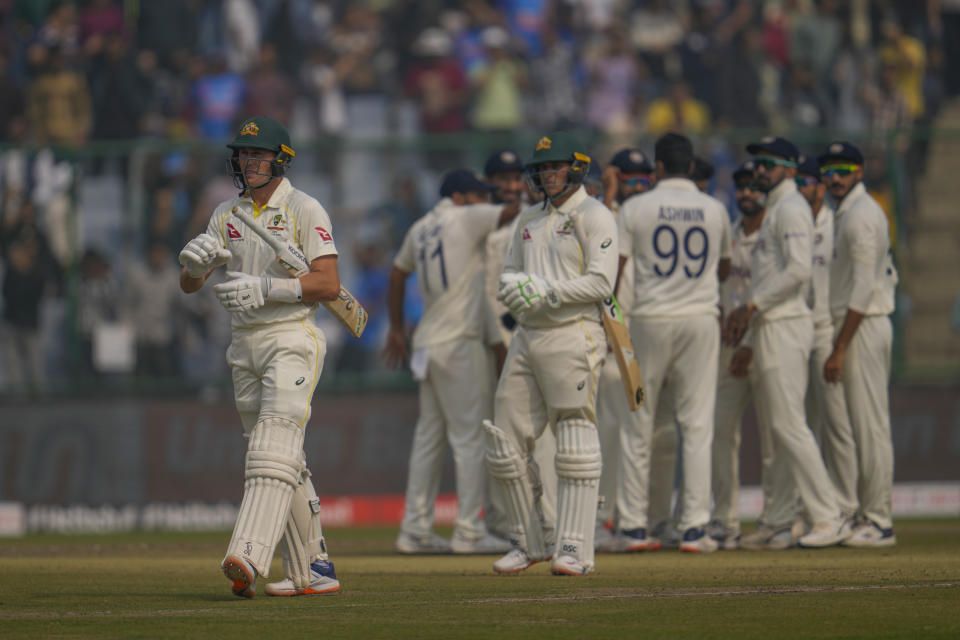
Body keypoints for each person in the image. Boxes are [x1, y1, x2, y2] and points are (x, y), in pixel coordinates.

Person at [178, 116, 341, 598]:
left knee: (273, 448)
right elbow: (191, 286)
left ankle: (248, 554)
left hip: (291, 335)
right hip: (243, 343)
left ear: (280, 160)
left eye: (258, 155)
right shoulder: (225, 213)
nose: (248, 162)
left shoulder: (305, 208)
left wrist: (269, 287)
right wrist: (192, 267)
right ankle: (314, 569)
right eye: (243, 154)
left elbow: (329, 285)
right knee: (280, 456)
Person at [486, 131, 618, 576]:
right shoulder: (528, 217)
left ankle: (575, 549)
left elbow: (602, 283)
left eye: (555, 167)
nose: (547, 174)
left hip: (573, 333)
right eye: (542, 168)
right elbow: (508, 274)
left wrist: (547, 292)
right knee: (505, 441)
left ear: (576, 168)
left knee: (575, 437)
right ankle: (531, 540)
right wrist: (516, 291)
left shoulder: (594, 215)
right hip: (528, 335)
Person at [724, 136, 850, 549]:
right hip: (772, 324)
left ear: (790, 169)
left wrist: (753, 305)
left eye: (768, 163)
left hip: (786, 323)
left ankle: (828, 516)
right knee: (781, 429)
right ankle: (778, 521)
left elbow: (797, 271)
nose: (759, 170)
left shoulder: (792, 208)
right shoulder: (779, 207)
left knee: (789, 425)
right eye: (756, 162)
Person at [384, 168, 516, 555]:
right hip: (459, 341)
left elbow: (396, 273)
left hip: (427, 342)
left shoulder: (421, 227)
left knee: (429, 438)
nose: (486, 201)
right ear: (459, 197)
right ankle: (468, 532)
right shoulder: (466, 215)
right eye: (479, 195)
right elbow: (509, 213)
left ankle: (414, 530)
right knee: (469, 438)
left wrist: (396, 328)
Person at [615, 133, 731, 554]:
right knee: (697, 424)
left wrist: (612, 325)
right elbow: (726, 264)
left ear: (658, 167)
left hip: (649, 319)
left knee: (638, 424)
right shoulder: (715, 208)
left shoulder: (635, 207)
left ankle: (631, 526)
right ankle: (696, 528)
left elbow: (617, 269)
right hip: (700, 319)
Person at [819, 141, 898, 547]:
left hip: (864, 325)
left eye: (843, 170)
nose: (834, 177)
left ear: (860, 172)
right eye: (829, 170)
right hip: (853, 325)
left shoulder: (863, 215)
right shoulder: (842, 213)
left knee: (870, 426)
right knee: (856, 426)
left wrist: (840, 346)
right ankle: (862, 512)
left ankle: (880, 520)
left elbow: (865, 289)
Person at [480, 149, 559, 546]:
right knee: (508, 435)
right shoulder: (497, 235)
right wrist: (499, 344)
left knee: (544, 436)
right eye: (503, 179)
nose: (511, 187)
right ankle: (512, 522)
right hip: (514, 340)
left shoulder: (547, 223)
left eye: (516, 179)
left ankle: (549, 522)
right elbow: (494, 296)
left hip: (547, 335)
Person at [795, 154, 859, 525]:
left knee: (836, 421)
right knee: (803, 423)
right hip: (795, 328)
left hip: (825, 329)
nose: (803, 189)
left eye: (808, 183)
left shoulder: (837, 222)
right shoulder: (789, 219)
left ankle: (847, 505)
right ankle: (810, 506)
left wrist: (840, 341)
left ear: (820, 187)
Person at [707, 161, 765, 551]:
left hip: (765, 342)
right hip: (728, 346)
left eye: (753, 187)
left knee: (778, 437)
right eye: (741, 186)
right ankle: (724, 520)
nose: (746, 193)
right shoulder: (728, 234)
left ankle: (781, 518)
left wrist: (749, 344)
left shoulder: (775, 236)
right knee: (719, 434)